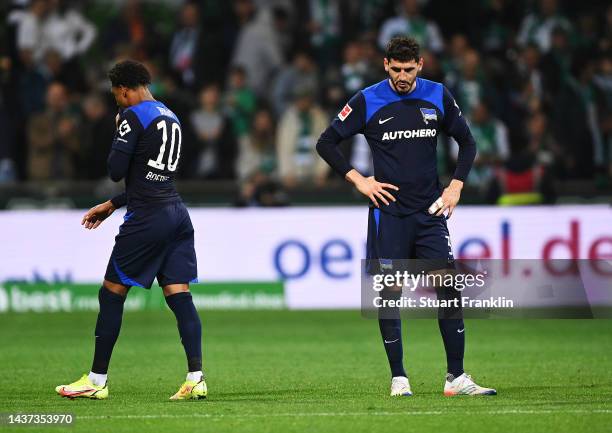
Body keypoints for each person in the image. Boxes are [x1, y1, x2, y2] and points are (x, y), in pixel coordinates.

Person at [316, 36, 496, 397]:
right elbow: (326, 142)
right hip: (389, 214)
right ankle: (399, 377)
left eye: (408, 69)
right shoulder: (367, 100)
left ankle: (456, 378)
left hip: (430, 212)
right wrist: (359, 181)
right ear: (385, 65)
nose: (402, 76)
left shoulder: (438, 95)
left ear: (420, 65)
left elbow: (468, 142)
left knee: (449, 291)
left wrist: (456, 186)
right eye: (395, 69)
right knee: (390, 294)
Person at [55, 61, 206, 401]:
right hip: (176, 214)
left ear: (123, 90)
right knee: (179, 294)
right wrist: (112, 204)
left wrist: (119, 128)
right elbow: (152, 177)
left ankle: (96, 380)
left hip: (147, 219)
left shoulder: (133, 116)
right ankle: (196, 377)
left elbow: (115, 169)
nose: (117, 102)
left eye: (116, 96)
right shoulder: (171, 115)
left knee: (111, 293)